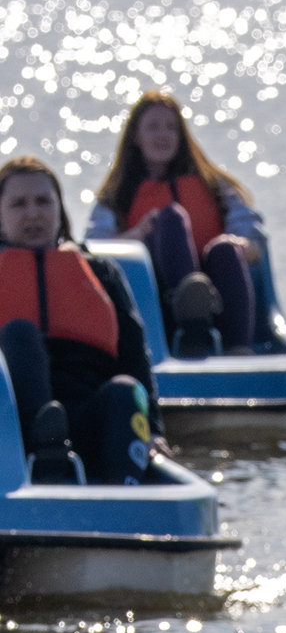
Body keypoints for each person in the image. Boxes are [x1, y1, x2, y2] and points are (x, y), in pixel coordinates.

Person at [0, 155, 163, 484]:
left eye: (43, 202)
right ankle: (46, 450)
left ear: (60, 210)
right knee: (19, 333)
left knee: (125, 390)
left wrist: (155, 431)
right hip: (12, 428)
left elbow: (135, 358)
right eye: (19, 204)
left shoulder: (101, 272)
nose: (33, 214)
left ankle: (123, 500)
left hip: (86, 415)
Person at [87, 91, 264, 354]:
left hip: (218, 295)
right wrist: (137, 235)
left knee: (225, 249)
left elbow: (250, 233)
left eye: (171, 128)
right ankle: (190, 316)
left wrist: (241, 243)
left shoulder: (215, 186)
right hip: (158, 304)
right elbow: (92, 250)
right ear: (136, 136)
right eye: (153, 127)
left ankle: (237, 349)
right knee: (171, 218)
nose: (163, 135)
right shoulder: (117, 196)